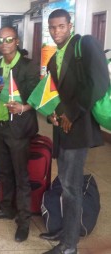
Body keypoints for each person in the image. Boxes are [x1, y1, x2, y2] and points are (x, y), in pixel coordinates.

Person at [40, 9, 109, 254]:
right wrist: (52, 113)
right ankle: (66, 229)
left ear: (70, 25)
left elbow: (99, 83)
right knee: (67, 183)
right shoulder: (53, 58)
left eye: (60, 26)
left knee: (71, 187)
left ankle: (69, 245)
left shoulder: (85, 45)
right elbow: (53, 94)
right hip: (62, 129)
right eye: (52, 27)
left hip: (78, 128)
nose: (56, 31)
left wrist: (73, 112)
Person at [0, 26, 39, 242]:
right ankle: (6, 208)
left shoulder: (27, 66)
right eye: (1, 39)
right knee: (4, 172)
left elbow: (36, 96)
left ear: (17, 42)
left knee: (21, 175)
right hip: (0, 125)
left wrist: (23, 108)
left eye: (9, 39)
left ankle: (24, 221)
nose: (5, 42)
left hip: (19, 128)